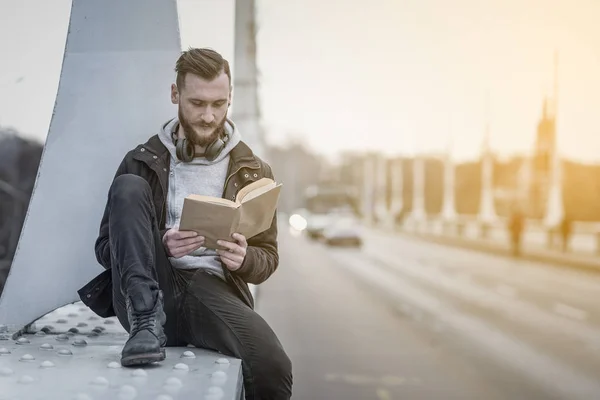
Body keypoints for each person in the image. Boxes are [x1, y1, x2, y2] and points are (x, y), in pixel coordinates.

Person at [78, 47, 292, 400]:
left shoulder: (255, 171)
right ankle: (146, 324)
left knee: (273, 365)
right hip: (146, 295)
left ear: (229, 98)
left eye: (219, 104)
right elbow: (105, 250)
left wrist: (244, 259)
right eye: (197, 103)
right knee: (128, 187)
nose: (209, 116)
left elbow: (267, 257)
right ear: (175, 94)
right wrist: (158, 242)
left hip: (211, 291)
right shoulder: (140, 161)